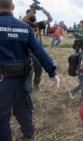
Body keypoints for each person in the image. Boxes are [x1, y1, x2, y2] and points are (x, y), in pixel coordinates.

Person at [0, 0, 60, 140]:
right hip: (22, 77)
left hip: (3, 80)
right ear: (13, 7)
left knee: (2, 115)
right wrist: (52, 72)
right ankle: (29, 132)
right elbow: (39, 51)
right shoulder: (24, 28)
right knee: (23, 108)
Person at [22, 6, 53, 92]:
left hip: (38, 52)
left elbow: (50, 19)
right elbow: (22, 20)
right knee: (29, 72)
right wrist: (31, 12)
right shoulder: (24, 25)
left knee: (39, 70)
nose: (34, 16)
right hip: (27, 52)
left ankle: (36, 84)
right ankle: (29, 89)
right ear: (28, 14)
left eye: (35, 14)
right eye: (32, 14)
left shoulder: (38, 25)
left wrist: (45, 12)